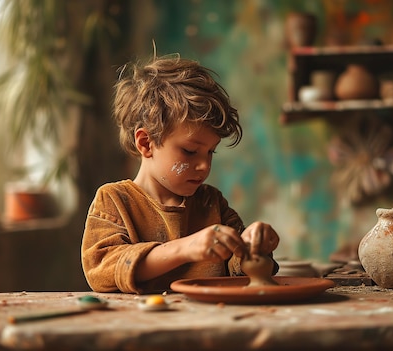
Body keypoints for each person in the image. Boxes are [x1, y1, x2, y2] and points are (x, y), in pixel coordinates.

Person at [81, 54, 280, 294]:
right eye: (190, 151)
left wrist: (255, 246)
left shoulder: (211, 203)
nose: (204, 166)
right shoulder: (114, 200)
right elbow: (101, 270)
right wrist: (185, 248)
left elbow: (243, 269)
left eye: (210, 153)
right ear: (146, 143)